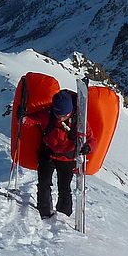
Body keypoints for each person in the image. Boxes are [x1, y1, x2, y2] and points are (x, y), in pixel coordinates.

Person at [30, 90, 93, 218]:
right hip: (47, 153)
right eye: (58, 114)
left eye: (64, 115)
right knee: (44, 184)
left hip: (67, 158)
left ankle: (64, 216)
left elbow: (91, 139)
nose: (60, 118)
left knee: (64, 188)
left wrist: (88, 147)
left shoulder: (79, 121)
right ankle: (43, 211)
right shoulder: (48, 115)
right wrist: (22, 117)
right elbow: (32, 120)